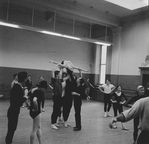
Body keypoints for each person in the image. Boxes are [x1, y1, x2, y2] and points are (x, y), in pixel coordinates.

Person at [5, 71, 28, 144]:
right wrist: (25, 97)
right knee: (11, 129)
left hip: (14, 110)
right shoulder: (17, 87)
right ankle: (8, 142)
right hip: (13, 111)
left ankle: (8, 141)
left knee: (12, 128)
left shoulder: (18, 86)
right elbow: (16, 101)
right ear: (24, 79)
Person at [50, 64, 63, 130]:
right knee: (55, 110)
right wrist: (56, 65)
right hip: (56, 96)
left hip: (60, 97)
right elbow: (52, 71)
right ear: (56, 75)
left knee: (58, 110)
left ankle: (55, 122)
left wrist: (61, 68)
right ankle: (52, 124)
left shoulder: (60, 80)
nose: (60, 75)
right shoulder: (54, 80)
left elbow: (61, 72)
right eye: (58, 74)